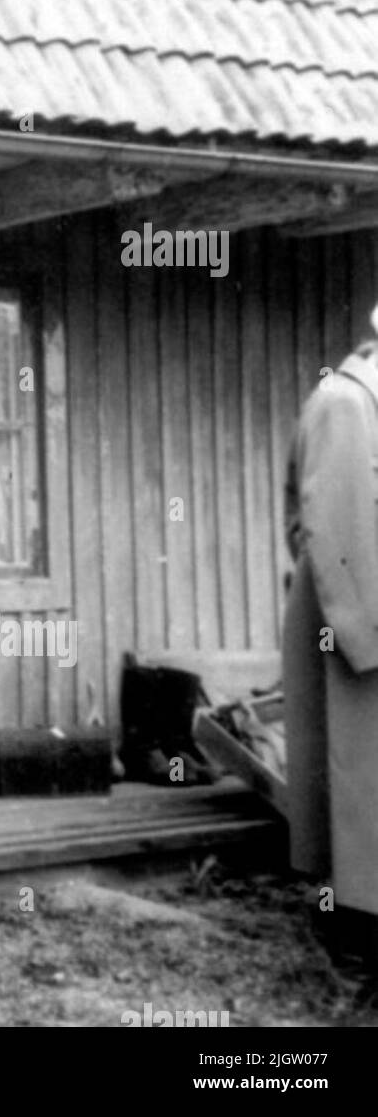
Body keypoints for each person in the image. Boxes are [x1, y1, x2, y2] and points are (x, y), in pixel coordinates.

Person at [283, 310, 378, 967]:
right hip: (357, 624)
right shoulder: (346, 404)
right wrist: (366, 637)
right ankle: (357, 933)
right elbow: (337, 531)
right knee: (359, 784)